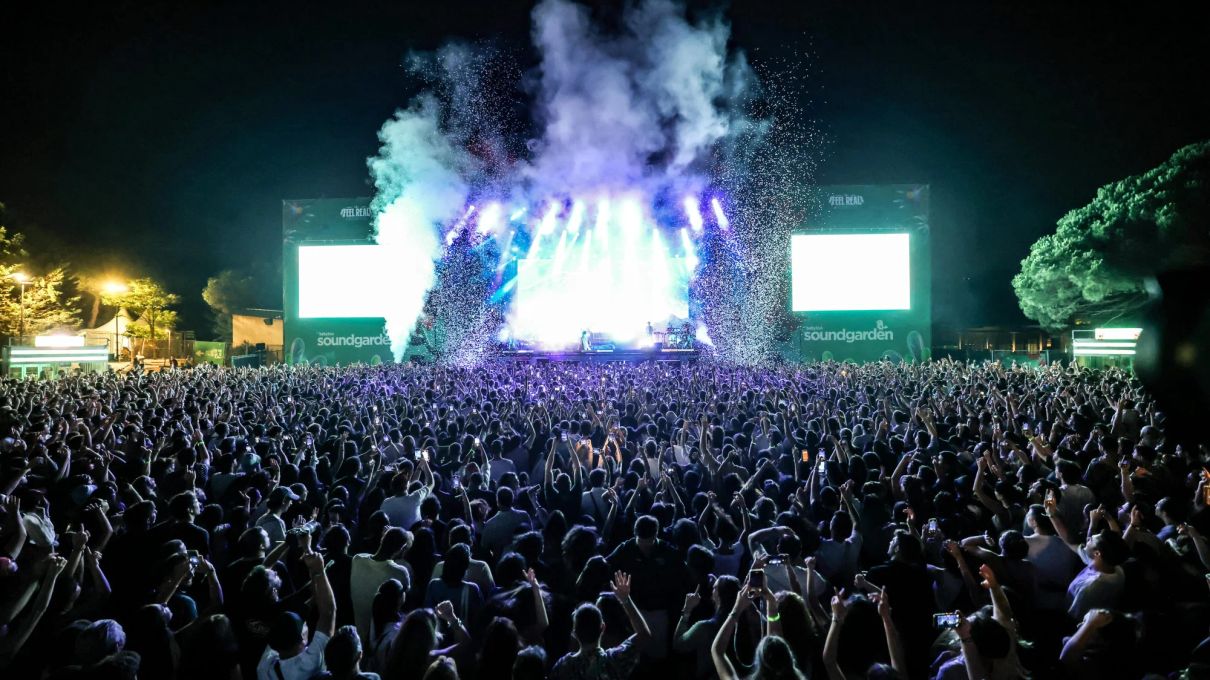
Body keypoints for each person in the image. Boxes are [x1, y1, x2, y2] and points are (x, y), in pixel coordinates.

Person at [550, 572, 651, 680]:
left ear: (574, 633)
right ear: (602, 627)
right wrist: (625, 600)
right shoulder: (614, 660)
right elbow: (644, 634)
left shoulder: (563, 666)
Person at [256, 551, 336, 680]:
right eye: (304, 625)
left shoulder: (264, 667)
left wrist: (315, 577)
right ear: (302, 638)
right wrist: (320, 571)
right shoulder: (310, 662)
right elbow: (328, 613)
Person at [350, 528, 414, 641]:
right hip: (380, 636)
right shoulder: (400, 572)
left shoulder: (357, 559)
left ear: (382, 539)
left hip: (357, 630)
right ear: (402, 549)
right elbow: (406, 599)